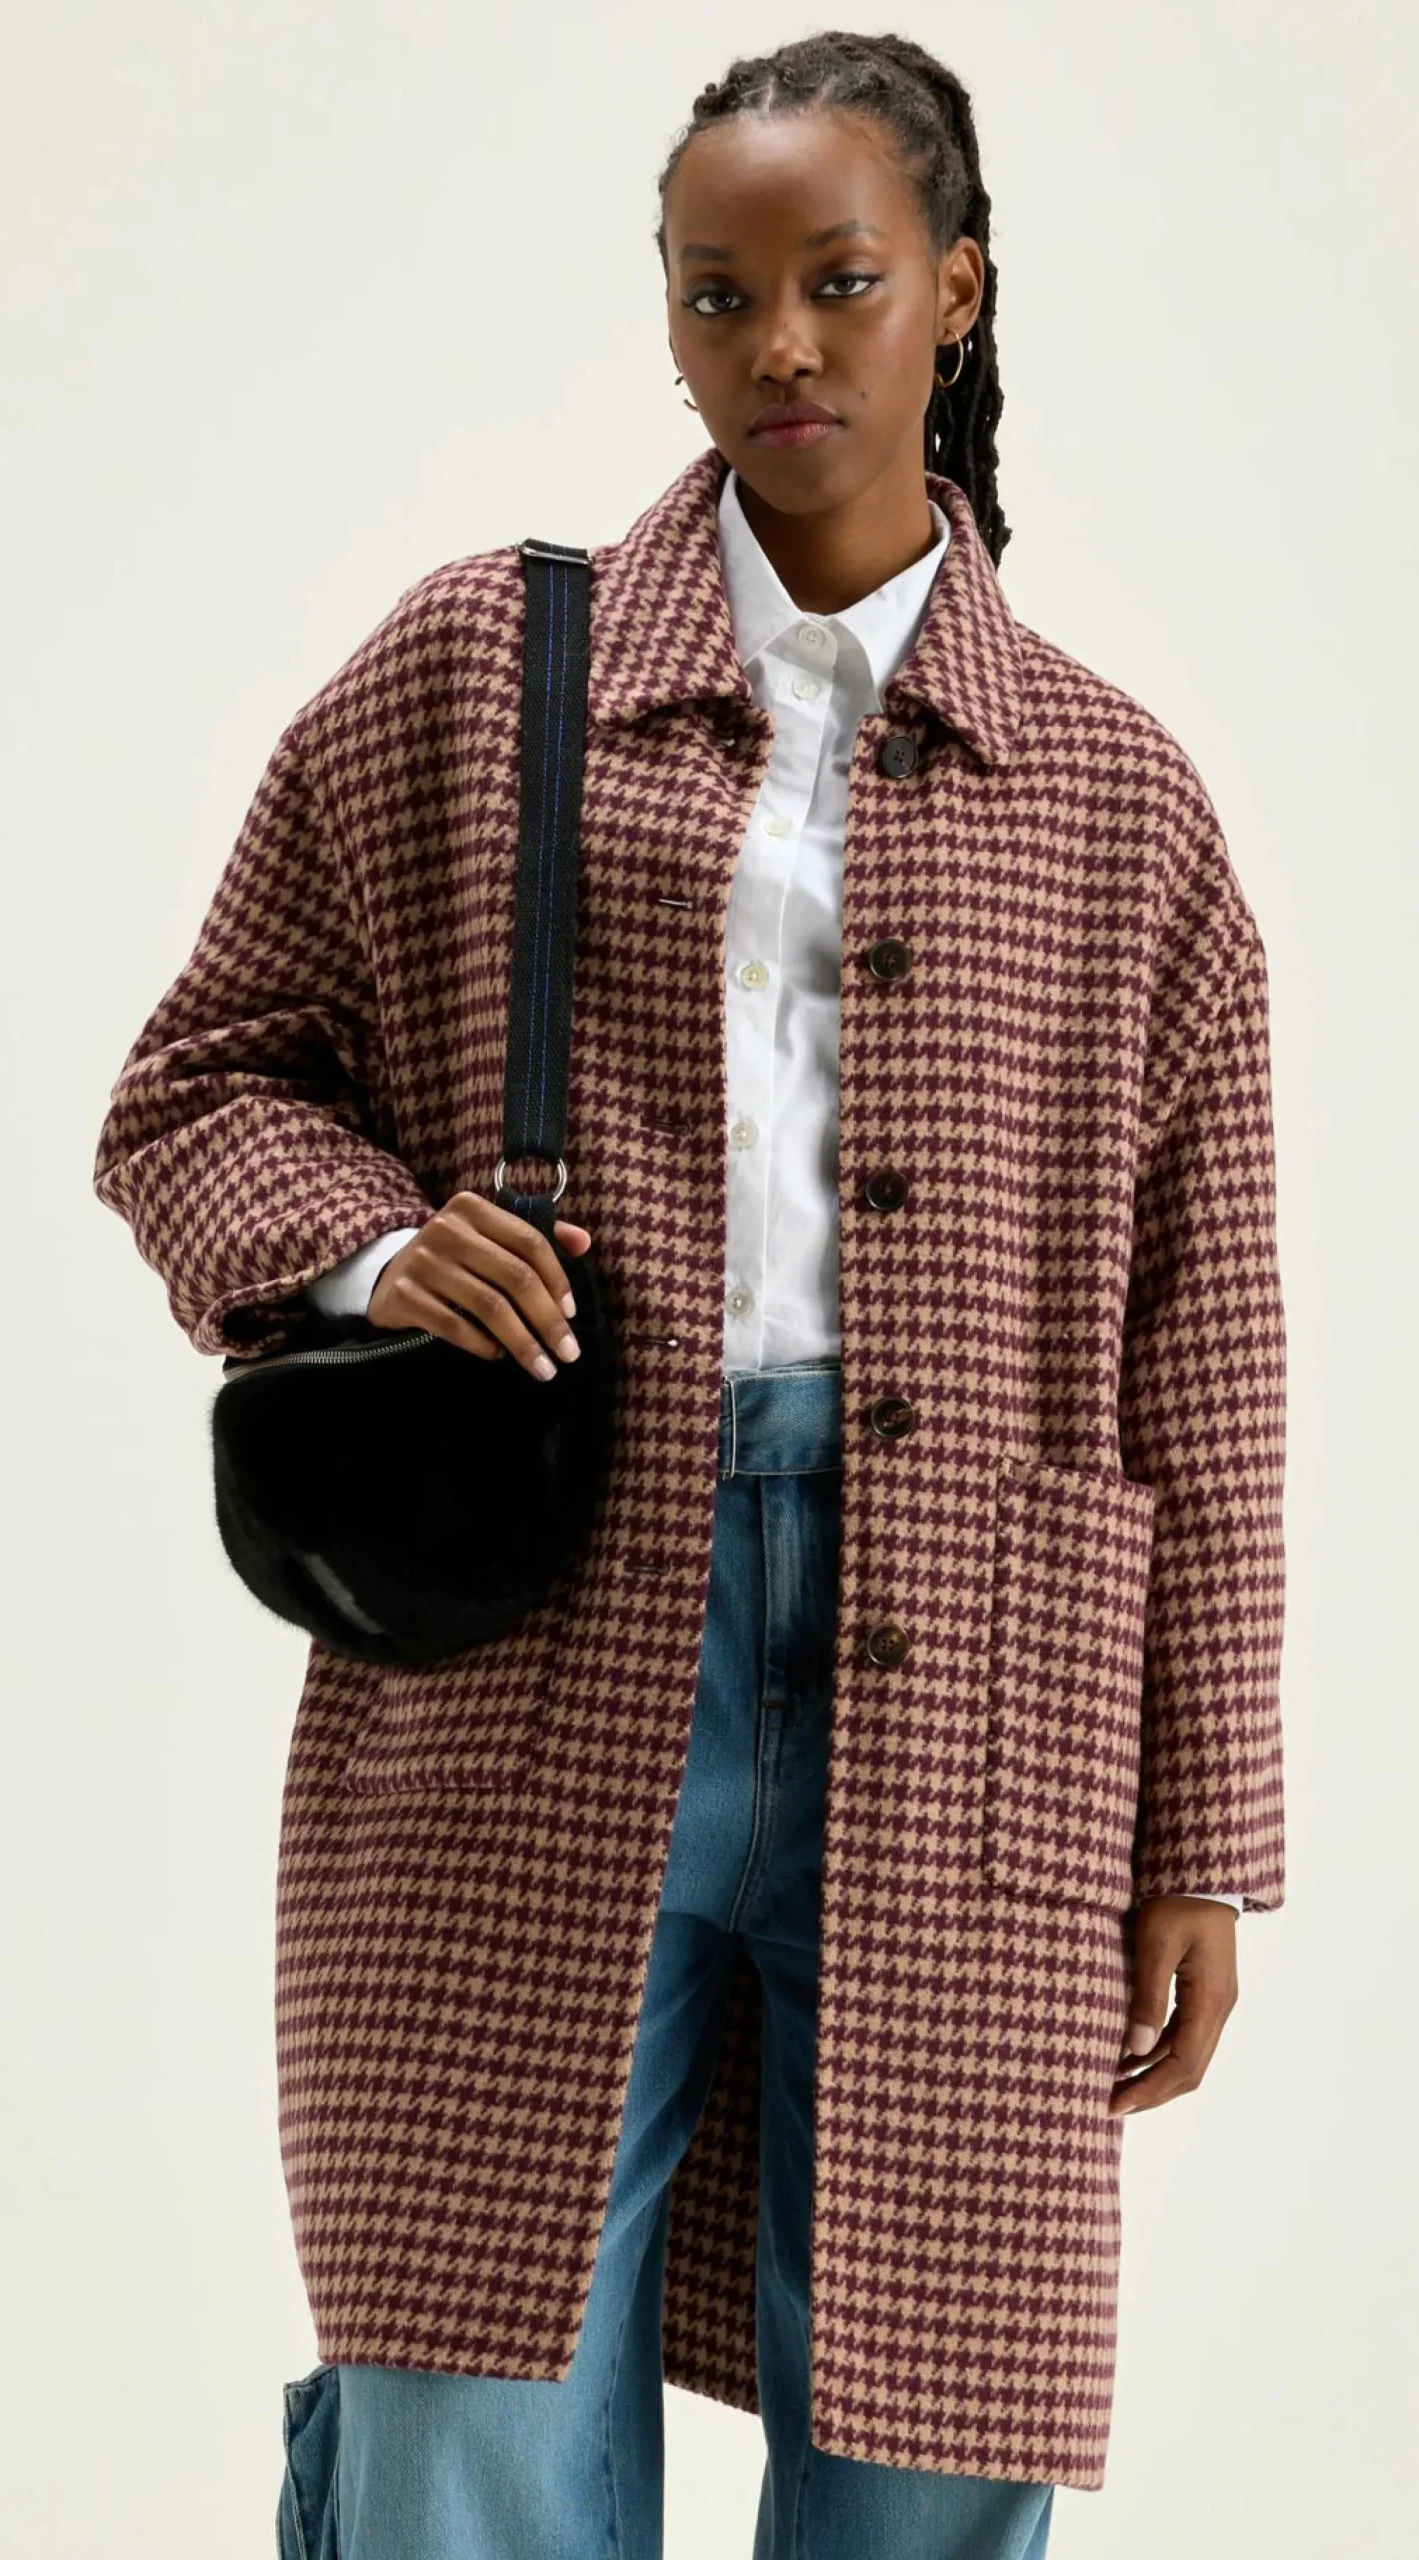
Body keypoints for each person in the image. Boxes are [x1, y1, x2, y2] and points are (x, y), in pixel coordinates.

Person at [95, 30, 1287, 2560]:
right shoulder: (474, 675)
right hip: (529, 1643)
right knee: (467, 2413)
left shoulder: (1120, 800)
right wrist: (379, 1243)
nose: (781, 344)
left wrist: (1204, 1827)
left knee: (933, 2437)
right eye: (715, 293)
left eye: (841, 280)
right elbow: (194, 1087)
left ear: (957, 294)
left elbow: (1209, 1350)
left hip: (979, 1684)